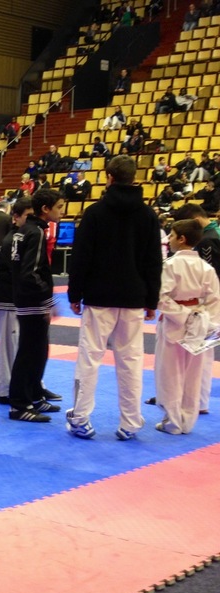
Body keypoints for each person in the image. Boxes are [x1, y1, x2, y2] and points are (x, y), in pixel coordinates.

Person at [66, 155, 162, 439]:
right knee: (131, 360)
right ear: (134, 178)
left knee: (89, 358)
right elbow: (153, 262)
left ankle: (80, 417)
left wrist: (74, 293)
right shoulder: (148, 215)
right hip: (133, 297)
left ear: (109, 177)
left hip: (99, 297)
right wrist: (152, 300)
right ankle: (130, 422)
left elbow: (81, 257)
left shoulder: (95, 213)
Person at [155, 219, 220, 434]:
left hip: (175, 322)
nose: (169, 240)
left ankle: (173, 422)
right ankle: (187, 421)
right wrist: (206, 324)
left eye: (172, 236)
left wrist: (184, 315)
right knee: (193, 375)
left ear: (182, 239)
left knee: (170, 374)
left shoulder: (170, 265)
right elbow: (215, 300)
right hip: (200, 322)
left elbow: (161, 298)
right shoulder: (206, 267)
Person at [8, 187, 65, 422]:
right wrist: (47, 299)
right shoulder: (36, 232)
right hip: (32, 299)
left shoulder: (25, 230)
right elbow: (30, 272)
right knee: (29, 352)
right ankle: (19, 405)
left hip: (26, 297)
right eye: (59, 207)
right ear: (45, 209)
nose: (62, 212)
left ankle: (33, 396)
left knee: (37, 351)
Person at [0, 198, 33, 405]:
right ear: (16, 217)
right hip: (8, 298)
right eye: (28, 215)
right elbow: (14, 273)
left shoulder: (24, 238)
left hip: (18, 299)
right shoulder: (12, 240)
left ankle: (27, 386)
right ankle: (3, 390)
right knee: (7, 348)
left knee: (19, 346)